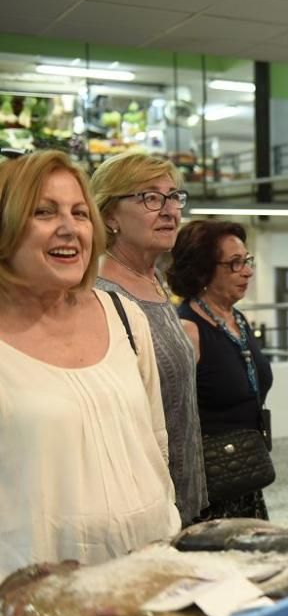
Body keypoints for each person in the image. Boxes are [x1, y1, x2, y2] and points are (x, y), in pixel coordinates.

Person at [0, 150, 179, 579]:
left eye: (80, 213)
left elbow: (156, 446)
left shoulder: (124, 316)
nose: (69, 228)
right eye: (43, 212)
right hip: (38, 598)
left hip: (150, 578)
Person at [91, 152, 208, 526]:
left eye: (174, 197)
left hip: (184, 494)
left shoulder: (153, 283)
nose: (170, 210)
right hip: (142, 506)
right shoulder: (99, 294)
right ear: (109, 215)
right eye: (150, 198)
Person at [166, 220, 273, 520]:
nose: (248, 271)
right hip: (211, 484)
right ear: (202, 270)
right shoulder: (188, 330)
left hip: (247, 472)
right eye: (234, 264)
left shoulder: (238, 320)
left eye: (246, 261)